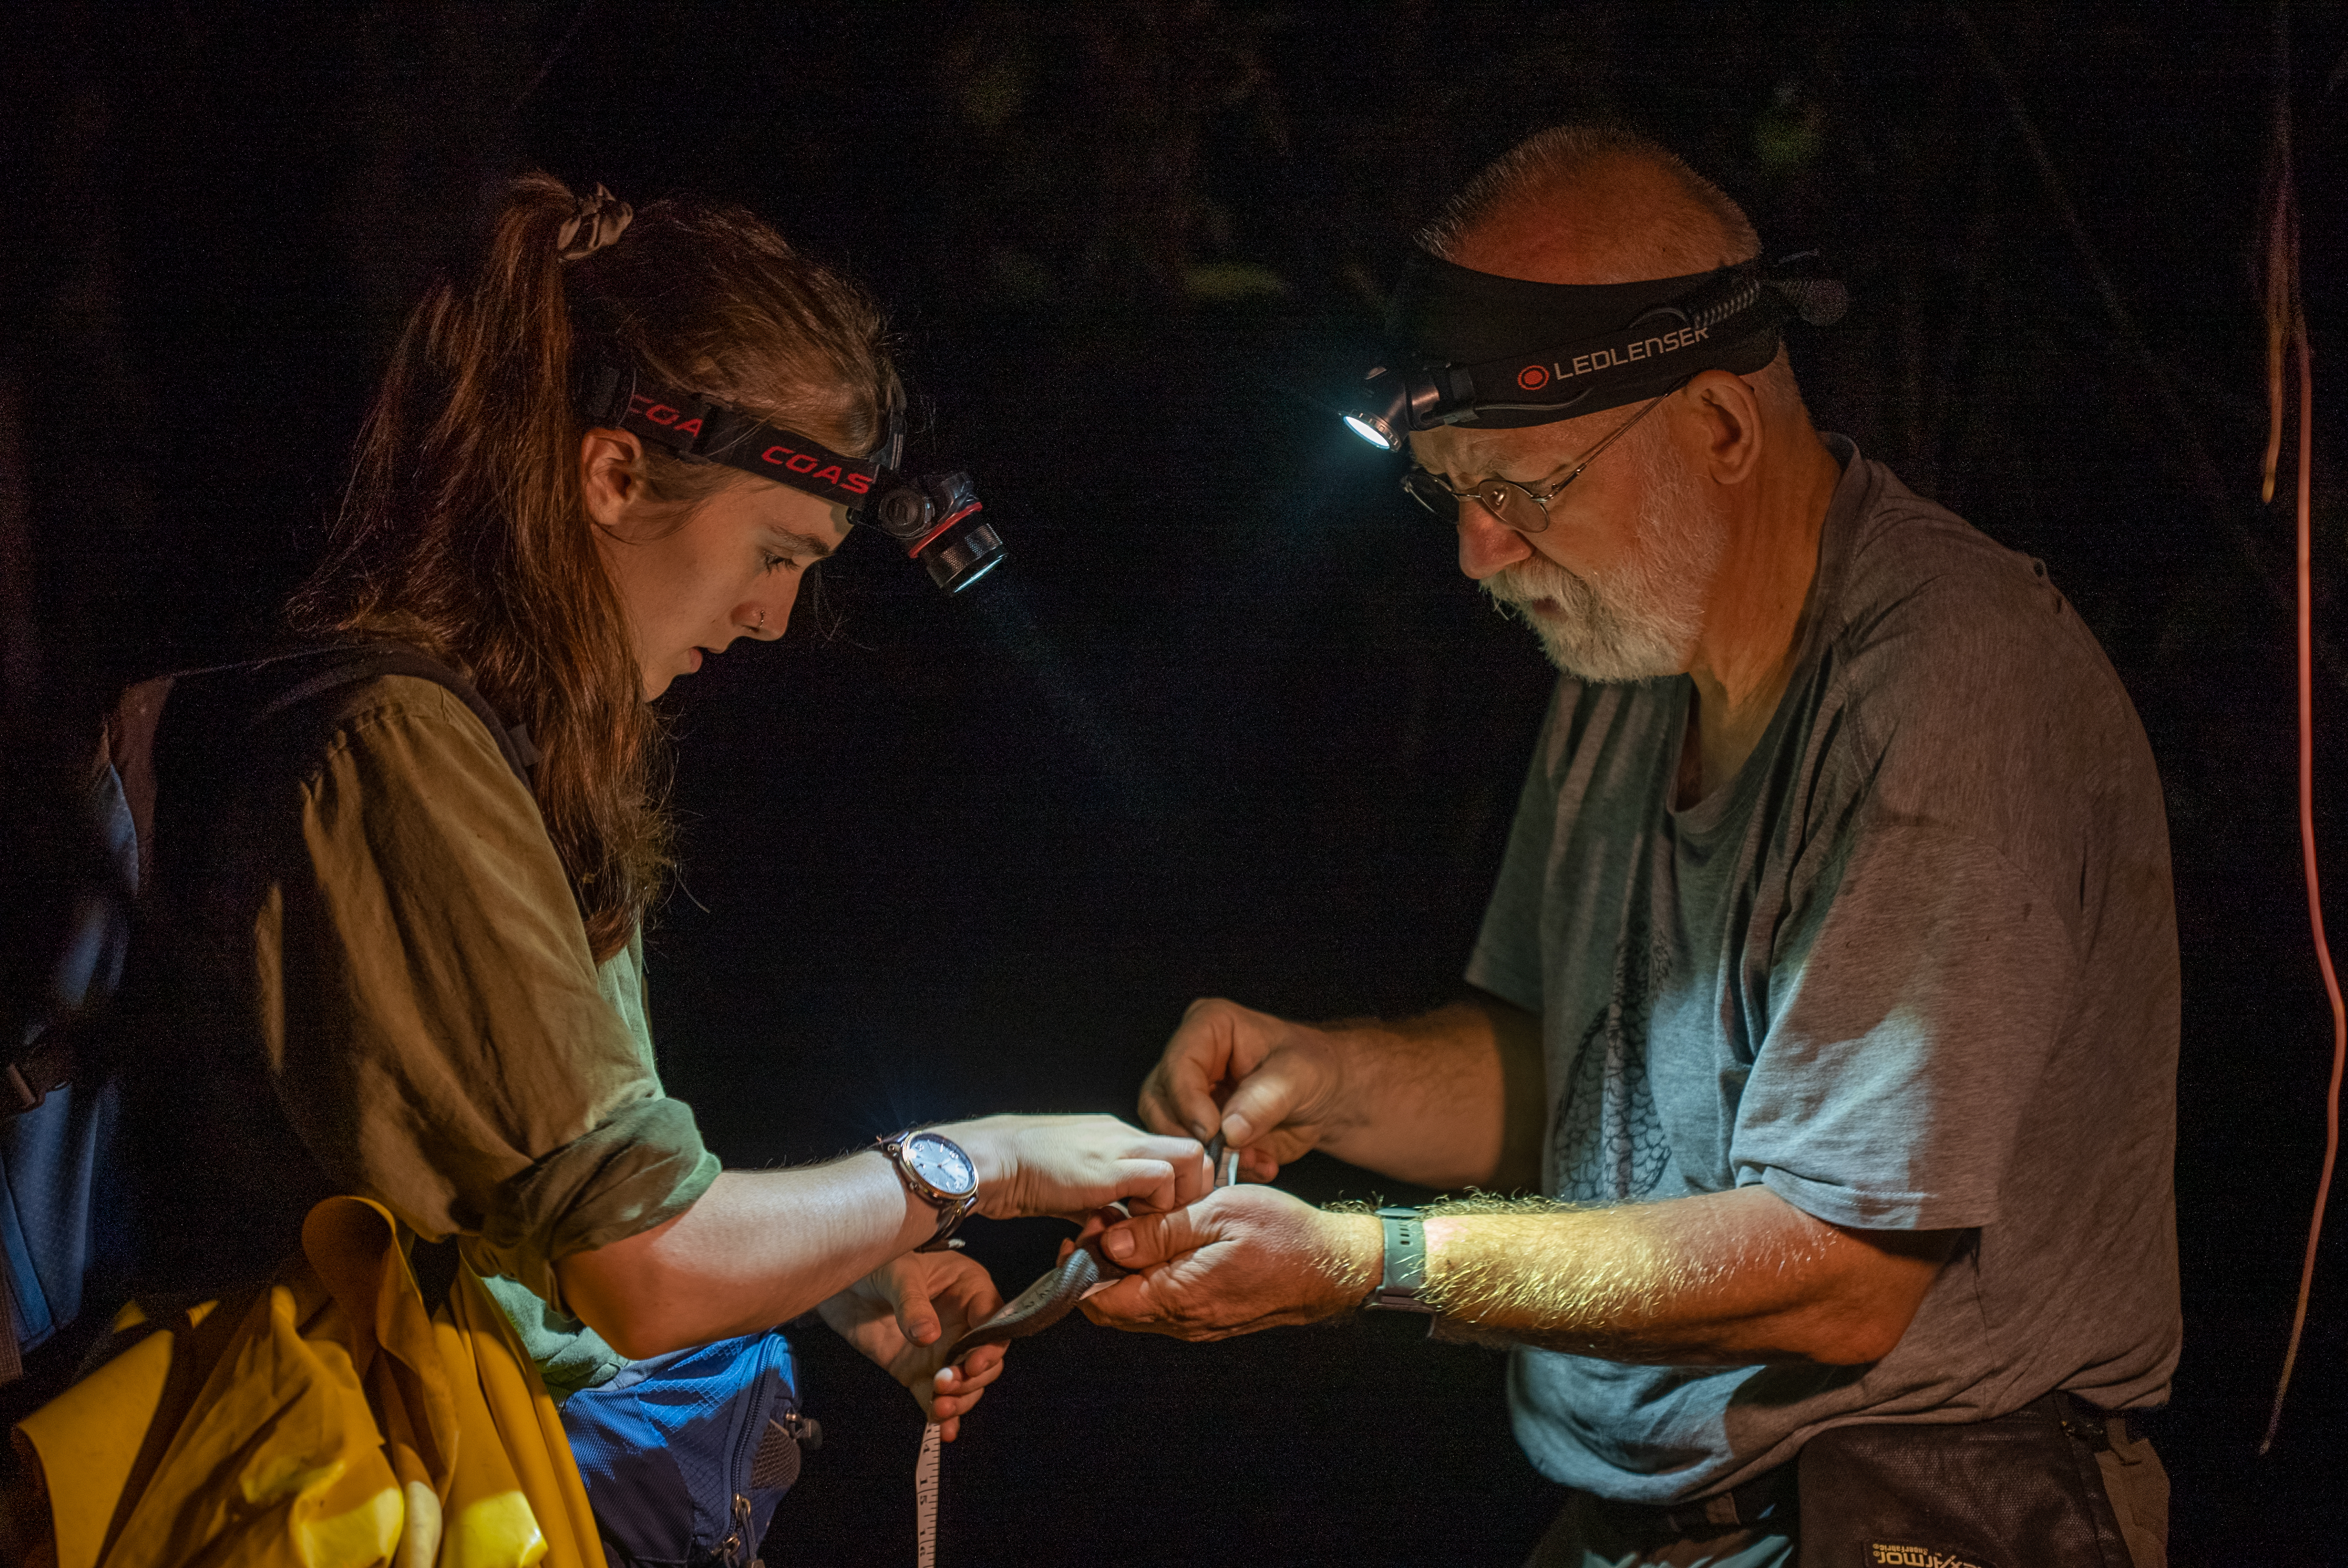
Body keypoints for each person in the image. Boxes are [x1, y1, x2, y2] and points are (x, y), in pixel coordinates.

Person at [1084, 126, 2179, 1567]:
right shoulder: (1624, 659)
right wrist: (1336, 1081)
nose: (1479, 554)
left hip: (1923, 1506)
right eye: (1449, 493)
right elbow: (1588, 1092)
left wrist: (1369, 1263)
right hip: (1641, 1519)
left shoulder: (1944, 696)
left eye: (1524, 491)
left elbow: (1843, 1275)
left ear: (1722, 429)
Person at [82, 174, 1208, 1557]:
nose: (775, 618)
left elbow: (555, 1205)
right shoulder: (396, 752)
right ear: (612, 475)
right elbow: (650, 1272)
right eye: (775, 552)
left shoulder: (495, 745)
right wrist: (980, 1164)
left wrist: (833, 1274)